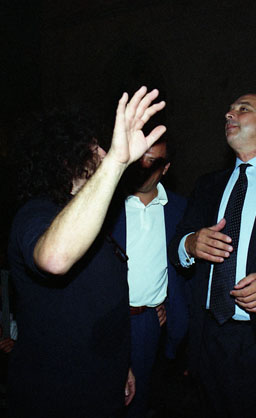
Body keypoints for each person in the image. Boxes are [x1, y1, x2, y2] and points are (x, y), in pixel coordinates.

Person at [6, 87, 166, 418]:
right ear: (66, 159)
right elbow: (54, 259)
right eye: (94, 147)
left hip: (102, 385)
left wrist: (122, 366)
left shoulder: (94, 224)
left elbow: (100, 304)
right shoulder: (36, 213)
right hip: (56, 395)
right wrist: (116, 162)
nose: (104, 151)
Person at [169, 93, 256, 418]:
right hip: (207, 338)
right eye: (229, 110)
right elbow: (177, 247)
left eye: (243, 109)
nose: (229, 115)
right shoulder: (208, 184)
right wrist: (191, 244)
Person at [108, 136, 188, 418]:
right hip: (104, 320)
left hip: (147, 322)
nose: (143, 167)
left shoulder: (180, 209)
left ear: (166, 168)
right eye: (139, 158)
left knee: (137, 401)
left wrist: (164, 302)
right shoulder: (107, 204)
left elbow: (183, 269)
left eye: (152, 161)